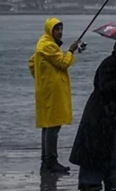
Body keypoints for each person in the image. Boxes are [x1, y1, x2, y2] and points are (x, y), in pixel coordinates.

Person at [70, 40, 116, 191]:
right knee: (107, 146)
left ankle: (110, 179)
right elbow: (105, 88)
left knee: (113, 144)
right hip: (101, 113)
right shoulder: (109, 64)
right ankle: (102, 180)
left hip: (107, 112)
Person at [28, 17, 81, 174]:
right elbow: (63, 63)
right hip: (51, 93)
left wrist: (42, 77)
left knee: (48, 125)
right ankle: (51, 161)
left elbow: (31, 63)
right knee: (53, 126)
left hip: (48, 91)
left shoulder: (45, 44)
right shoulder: (47, 45)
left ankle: (46, 161)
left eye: (61, 29)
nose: (60, 32)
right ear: (50, 30)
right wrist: (71, 50)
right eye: (57, 29)